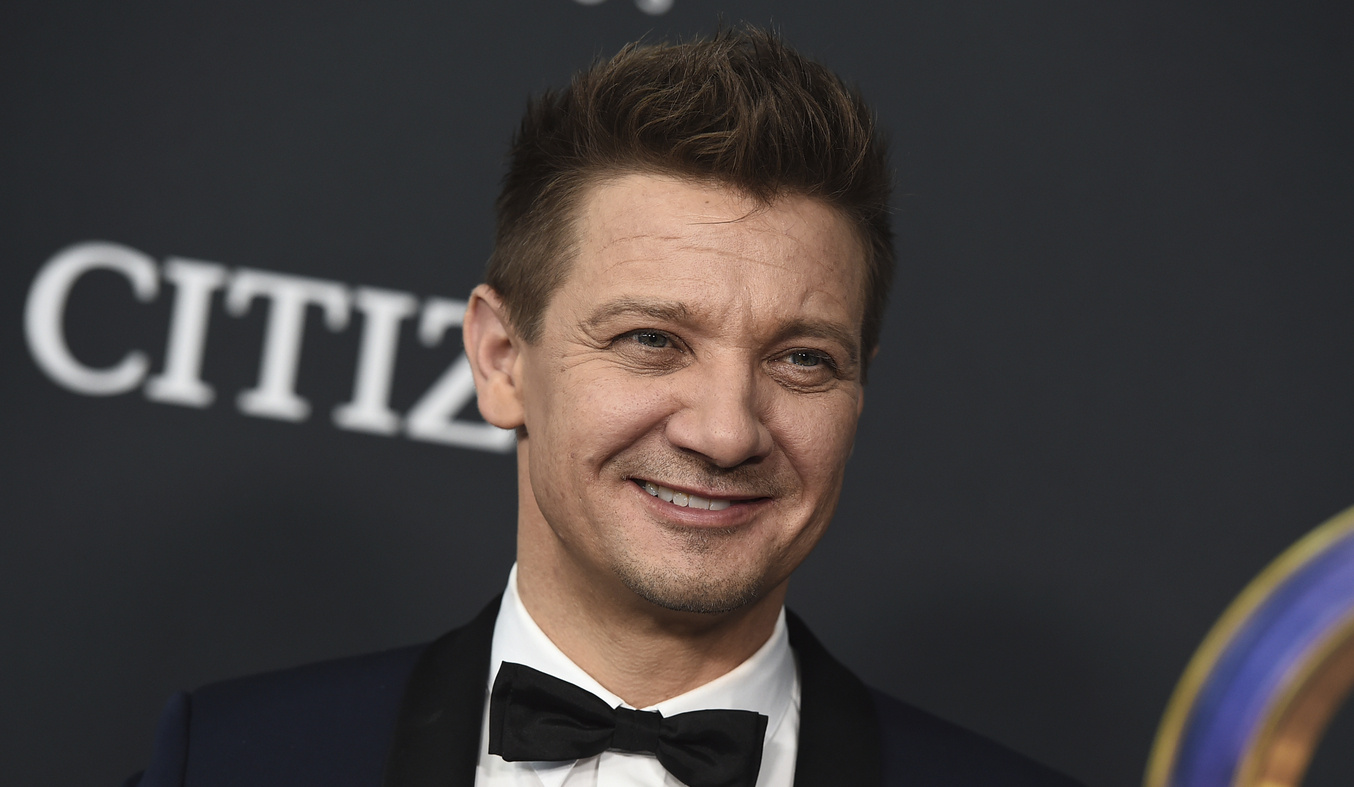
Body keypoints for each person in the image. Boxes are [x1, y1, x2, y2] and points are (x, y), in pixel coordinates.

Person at [128, 27, 1083, 787]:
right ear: (502, 360)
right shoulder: (228, 762)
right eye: (652, 340)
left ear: (858, 389)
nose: (725, 431)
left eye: (801, 359)